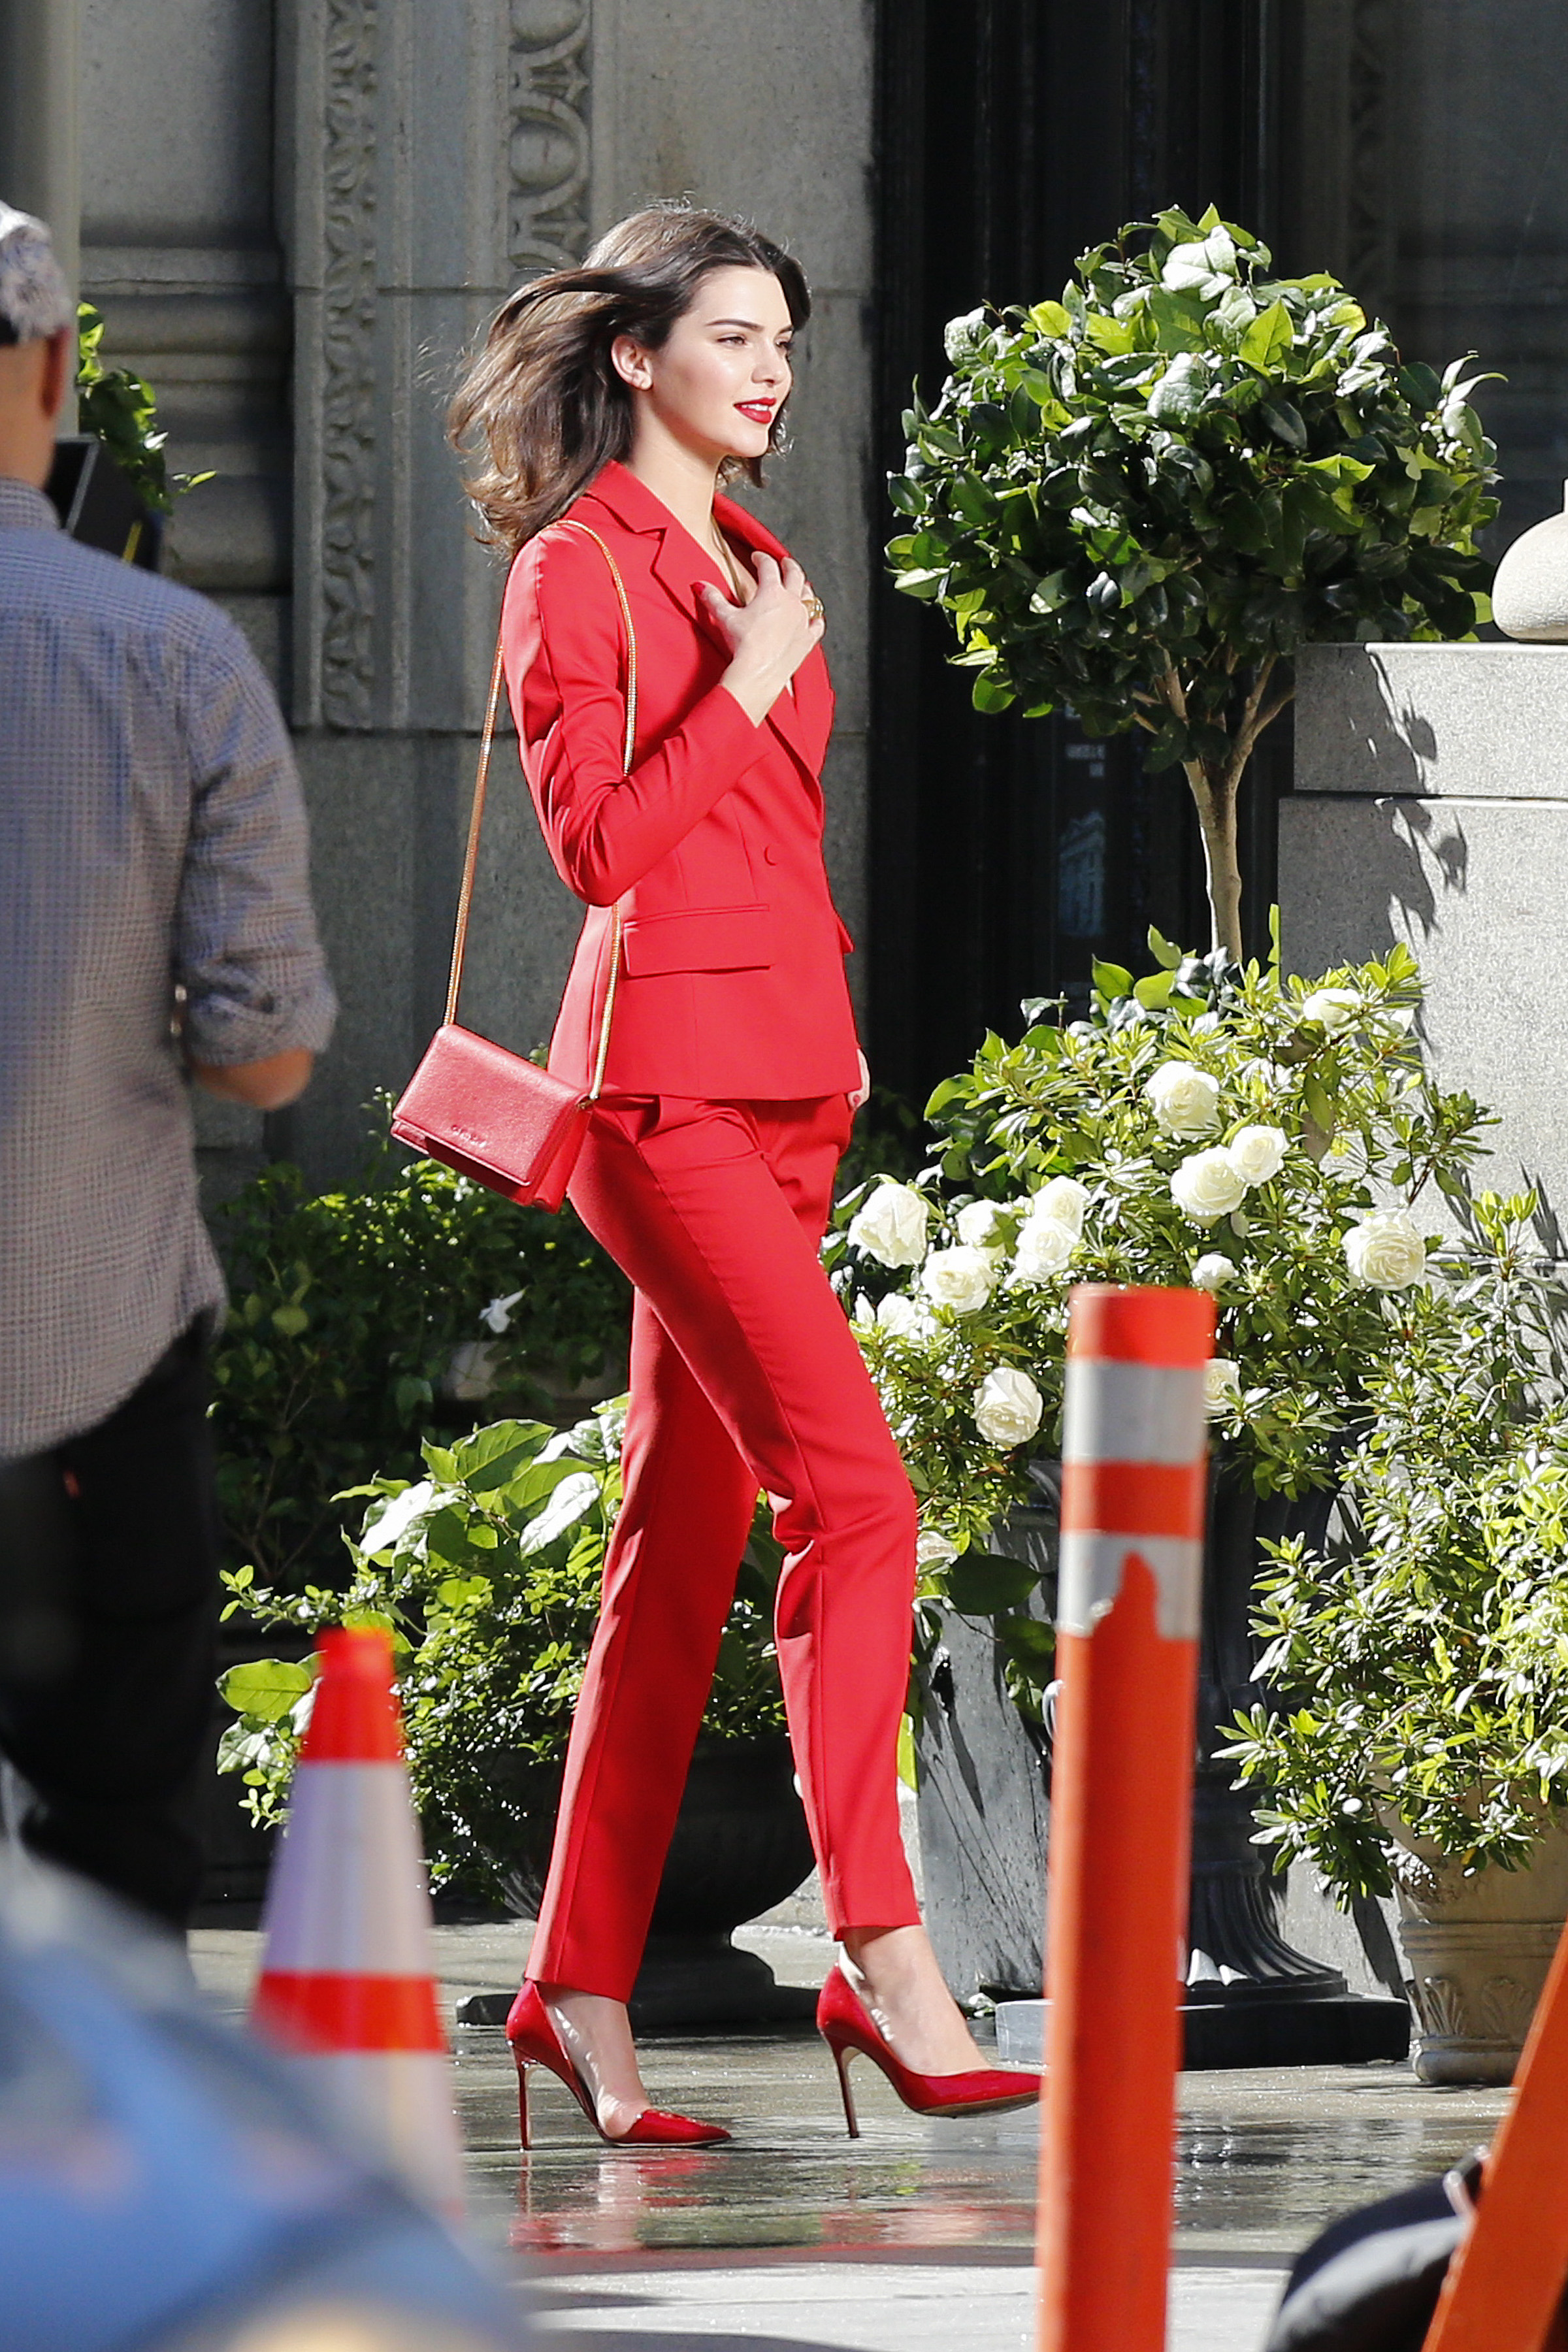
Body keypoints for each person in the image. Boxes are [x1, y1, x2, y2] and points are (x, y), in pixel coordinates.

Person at [448, 203, 1040, 2143]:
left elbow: (767, 844)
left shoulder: (758, 554)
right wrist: (751, 675)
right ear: (637, 355)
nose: (770, 368)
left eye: (784, 337)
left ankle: (575, 1989)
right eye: (731, 335)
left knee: (676, 1546)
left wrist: (836, 1029)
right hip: (660, 1099)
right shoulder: (578, 567)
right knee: (859, 1499)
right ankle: (884, 1949)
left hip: (788, 1082)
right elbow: (601, 850)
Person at [0, 203, 336, 1935]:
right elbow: (266, 1056)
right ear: (55, 369)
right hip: (95, 1342)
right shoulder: (171, 652)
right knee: (115, 1846)